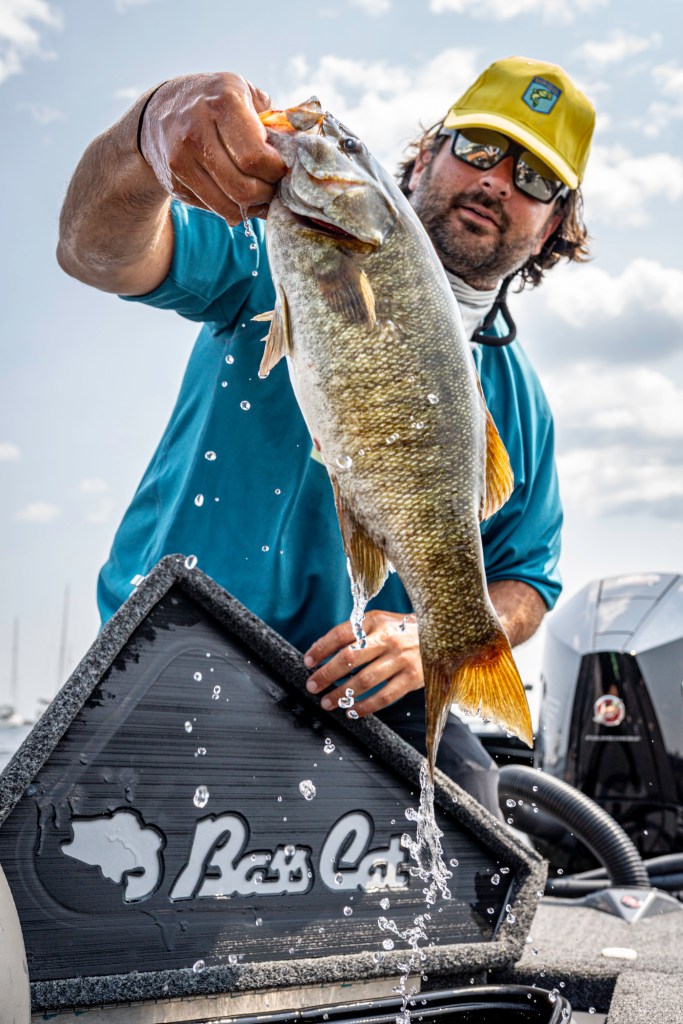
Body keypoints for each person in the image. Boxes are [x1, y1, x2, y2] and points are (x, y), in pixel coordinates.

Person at [56, 57, 594, 817]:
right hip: (173, 650)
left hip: (355, 695)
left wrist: (423, 637)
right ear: (423, 159)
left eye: (535, 179)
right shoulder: (271, 249)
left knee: (470, 801)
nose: (497, 181)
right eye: (479, 147)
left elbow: (526, 581)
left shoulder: (520, 400)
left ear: (551, 231)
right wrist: (147, 134)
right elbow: (93, 251)